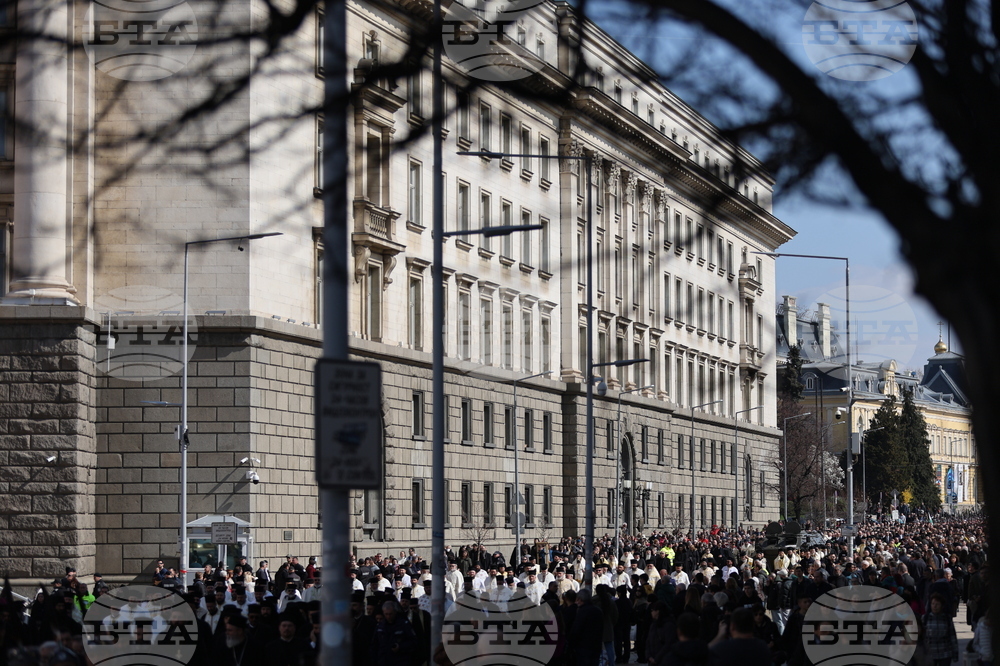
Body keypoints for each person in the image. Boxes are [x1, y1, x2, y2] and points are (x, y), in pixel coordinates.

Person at [371, 599, 417, 666]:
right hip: (383, 660)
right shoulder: (380, 626)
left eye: (390, 614)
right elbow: (374, 644)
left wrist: (400, 647)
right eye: (386, 614)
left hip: (400, 660)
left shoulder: (404, 624)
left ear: (395, 612)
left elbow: (413, 642)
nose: (388, 616)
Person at [922, 593, 959, 666]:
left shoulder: (947, 619)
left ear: (942, 606)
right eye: (933, 604)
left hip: (945, 653)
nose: (934, 606)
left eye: (937, 604)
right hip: (930, 654)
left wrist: (955, 653)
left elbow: (952, 637)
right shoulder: (925, 618)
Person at [571, 589, 604, 666]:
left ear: (580, 599)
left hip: (584, 646)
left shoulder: (582, 611)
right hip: (596, 645)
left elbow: (576, 629)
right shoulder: (598, 610)